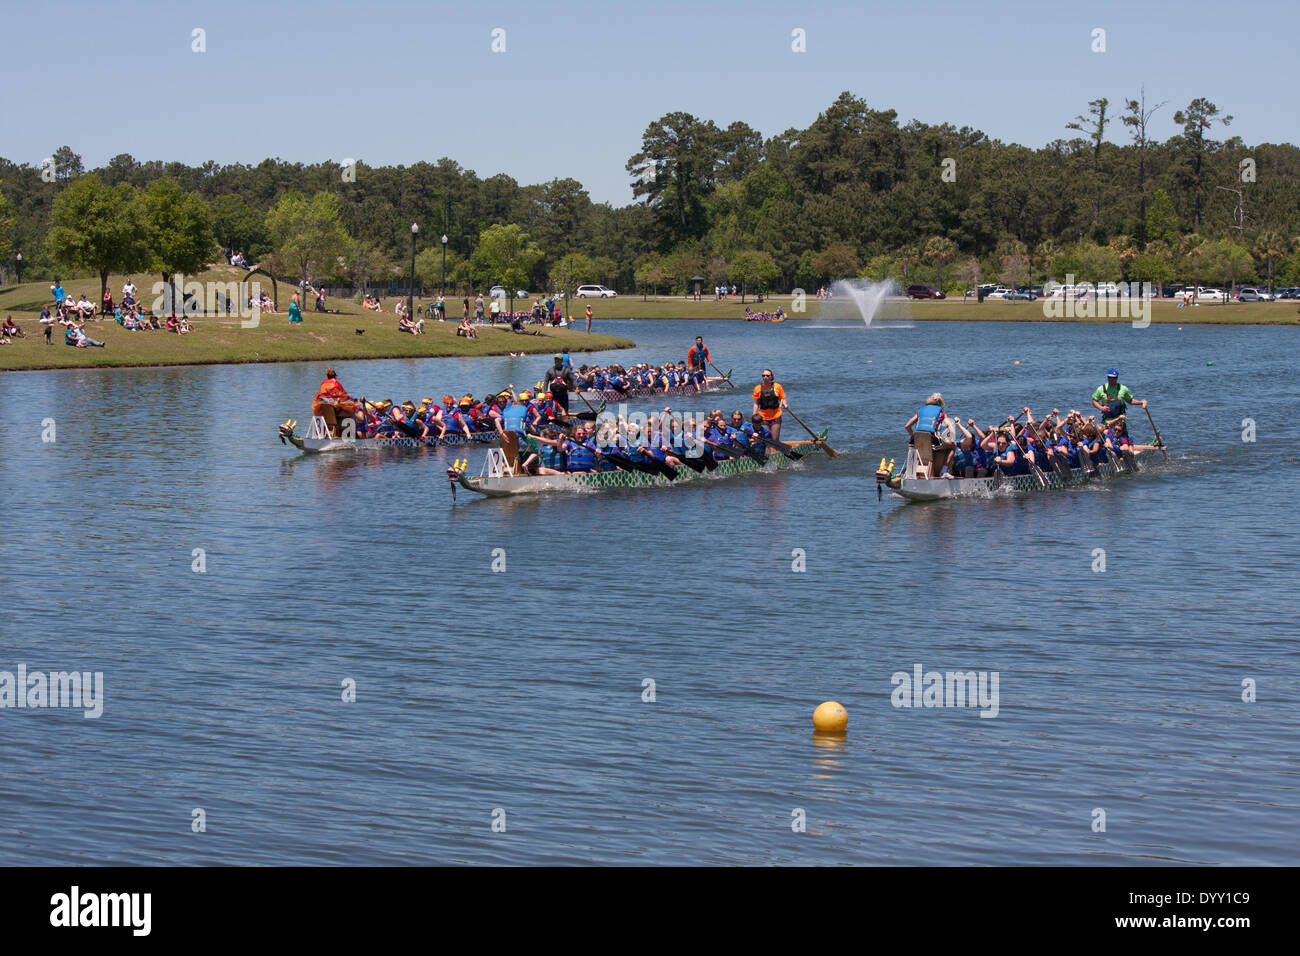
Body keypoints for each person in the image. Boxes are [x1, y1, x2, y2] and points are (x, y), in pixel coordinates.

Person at [904, 393, 946, 478]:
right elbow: (950, 425)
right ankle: (944, 471)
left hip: (915, 439)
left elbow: (907, 426)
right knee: (952, 446)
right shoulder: (940, 412)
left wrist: (916, 437)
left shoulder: (921, 410)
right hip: (931, 438)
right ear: (941, 403)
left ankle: (910, 474)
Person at [751, 369, 788, 445]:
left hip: (776, 416)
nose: (765, 377)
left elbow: (782, 398)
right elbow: (756, 403)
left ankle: (776, 455)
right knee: (766, 440)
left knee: (775, 440)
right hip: (763, 417)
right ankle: (767, 456)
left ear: (771, 377)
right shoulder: (758, 388)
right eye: (763, 375)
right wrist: (754, 415)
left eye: (767, 376)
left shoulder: (777, 386)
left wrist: (785, 404)